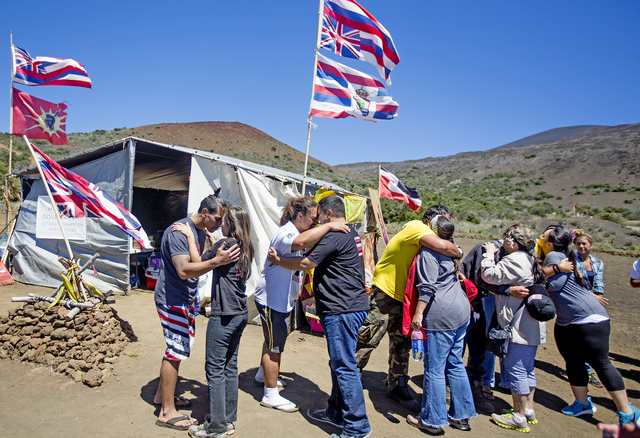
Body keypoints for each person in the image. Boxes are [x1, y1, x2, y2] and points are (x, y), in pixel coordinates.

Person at [268, 195, 371, 438]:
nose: (315, 223)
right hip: (347, 306)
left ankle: (357, 427)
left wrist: (278, 260)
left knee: (345, 367)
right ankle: (336, 413)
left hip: (341, 309)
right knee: (339, 363)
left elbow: (305, 262)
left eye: (318, 218)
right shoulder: (350, 232)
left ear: (327, 214)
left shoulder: (335, 234)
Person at [355, 205, 461, 411]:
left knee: (402, 343)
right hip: (387, 291)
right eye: (443, 221)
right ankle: (351, 373)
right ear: (432, 219)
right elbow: (450, 249)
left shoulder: (427, 234)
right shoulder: (416, 227)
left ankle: (397, 384)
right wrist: (459, 250)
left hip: (407, 297)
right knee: (370, 336)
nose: (445, 227)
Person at [253, 196, 349, 413]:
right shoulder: (288, 233)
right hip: (272, 299)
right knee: (275, 347)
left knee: (272, 340)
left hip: (280, 299)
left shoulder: (295, 231)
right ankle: (270, 394)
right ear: (300, 215)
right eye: (313, 218)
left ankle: (262, 375)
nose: (315, 223)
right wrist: (331, 226)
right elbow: (300, 244)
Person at [154, 195, 240, 431]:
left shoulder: (197, 231)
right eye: (217, 218)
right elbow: (184, 270)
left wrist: (211, 251)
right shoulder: (178, 232)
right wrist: (217, 262)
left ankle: (162, 398)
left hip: (184, 299)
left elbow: (198, 260)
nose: (219, 223)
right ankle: (167, 412)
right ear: (204, 211)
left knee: (178, 346)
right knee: (175, 350)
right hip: (173, 299)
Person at [541, 225, 640, 426]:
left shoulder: (554, 257)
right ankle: (582, 403)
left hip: (587, 318)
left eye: (543, 235)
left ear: (550, 242)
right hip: (569, 319)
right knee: (573, 360)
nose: (539, 237)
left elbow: (556, 285)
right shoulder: (561, 256)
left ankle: (627, 413)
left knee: (601, 363)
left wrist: (539, 275)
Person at [171, 205, 254, 438]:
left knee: (214, 368)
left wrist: (189, 236)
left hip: (223, 315)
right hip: (240, 313)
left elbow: (197, 263)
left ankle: (216, 426)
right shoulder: (246, 245)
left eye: (224, 221)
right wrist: (212, 239)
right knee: (229, 366)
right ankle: (227, 419)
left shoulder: (224, 245)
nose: (220, 224)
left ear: (232, 225)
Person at [406, 216, 476, 435]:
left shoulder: (429, 252)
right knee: (455, 363)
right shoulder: (453, 250)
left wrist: (418, 314)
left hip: (441, 315)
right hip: (461, 312)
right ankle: (461, 416)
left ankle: (432, 419)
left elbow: (427, 287)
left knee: (434, 368)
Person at [481, 225, 546, 433]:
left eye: (508, 237)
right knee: (527, 368)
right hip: (531, 324)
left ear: (515, 242)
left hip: (518, 326)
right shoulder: (529, 259)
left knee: (515, 368)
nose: (505, 240)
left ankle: (518, 416)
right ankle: (528, 409)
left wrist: (489, 255)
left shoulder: (515, 259)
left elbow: (489, 275)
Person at [573, 229, 607, 388]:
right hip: (578, 301)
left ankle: (586, 370)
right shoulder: (572, 260)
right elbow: (576, 284)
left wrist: (597, 297)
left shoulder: (598, 263)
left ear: (591, 245)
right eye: (578, 243)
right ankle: (584, 372)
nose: (581, 246)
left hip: (593, 303)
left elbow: (598, 284)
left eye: (584, 243)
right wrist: (593, 296)